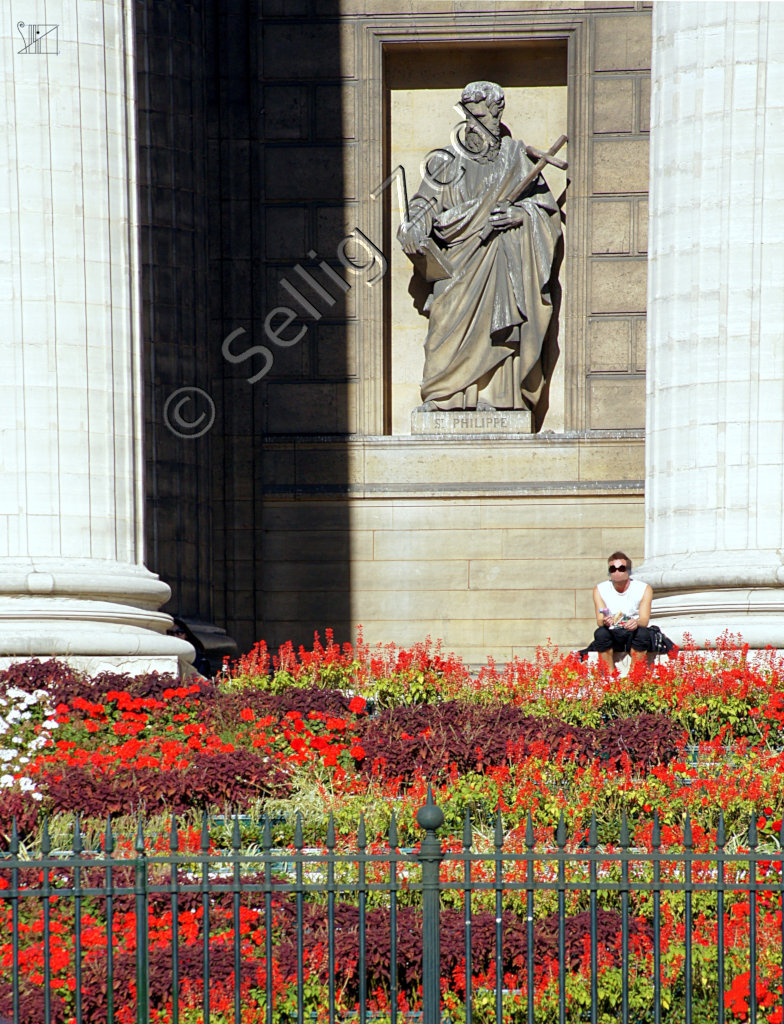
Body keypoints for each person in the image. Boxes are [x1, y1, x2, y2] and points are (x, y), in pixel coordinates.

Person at [397, 81, 562, 413]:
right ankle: (444, 396)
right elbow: (423, 204)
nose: (473, 124)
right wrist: (413, 227)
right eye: (468, 116)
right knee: (444, 326)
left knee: (499, 326)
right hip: (457, 264)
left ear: (496, 114)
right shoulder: (445, 161)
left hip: (501, 259)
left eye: (480, 115)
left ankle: (495, 398)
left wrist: (519, 215)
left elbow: (546, 217)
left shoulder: (517, 160)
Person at [591, 552, 655, 668]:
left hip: (632, 631)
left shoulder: (644, 588)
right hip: (612, 632)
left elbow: (644, 620)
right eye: (612, 569)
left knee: (643, 634)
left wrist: (636, 622)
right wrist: (605, 620)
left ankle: (634, 676)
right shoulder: (600, 589)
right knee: (600, 633)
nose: (617, 572)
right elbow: (599, 621)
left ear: (628, 571)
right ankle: (609, 676)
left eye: (621, 568)